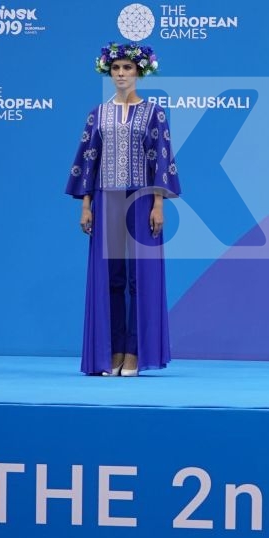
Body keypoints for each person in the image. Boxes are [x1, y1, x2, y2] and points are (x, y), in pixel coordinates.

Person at [67, 41, 180, 375]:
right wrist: (86, 205)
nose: (121, 74)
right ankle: (111, 351)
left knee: (137, 278)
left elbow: (161, 159)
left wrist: (158, 204)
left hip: (141, 198)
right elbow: (88, 159)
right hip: (106, 198)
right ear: (108, 71)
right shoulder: (98, 113)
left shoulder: (154, 112)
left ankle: (134, 351)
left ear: (139, 72)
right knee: (111, 278)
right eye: (116, 68)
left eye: (127, 68)